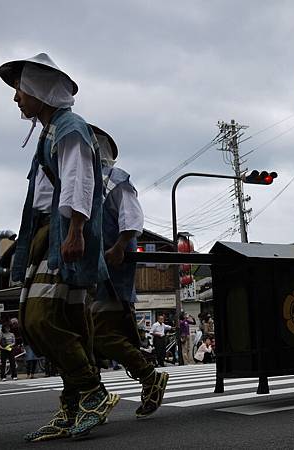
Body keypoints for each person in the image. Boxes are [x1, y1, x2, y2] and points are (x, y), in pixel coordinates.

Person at [0, 53, 118, 441]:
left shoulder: (69, 127)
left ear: (39, 90)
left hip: (63, 232)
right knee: (62, 322)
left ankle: (93, 391)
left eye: (21, 89)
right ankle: (70, 408)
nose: (17, 97)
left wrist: (76, 231)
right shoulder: (51, 130)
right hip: (47, 234)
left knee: (40, 318)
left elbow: (79, 180)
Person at [89, 125, 169, 417]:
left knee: (98, 334)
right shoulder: (87, 183)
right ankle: (141, 379)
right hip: (93, 271)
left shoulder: (114, 179)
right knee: (99, 334)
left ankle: (149, 375)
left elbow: (132, 218)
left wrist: (120, 246)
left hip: (111, 271)